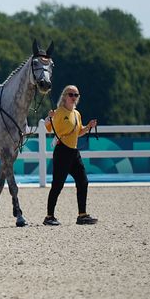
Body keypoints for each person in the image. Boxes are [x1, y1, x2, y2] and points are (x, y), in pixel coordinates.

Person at [43, 85, 99, 225]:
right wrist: (49, 119)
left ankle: (82, 215)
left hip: (74, 152)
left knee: (83, 181)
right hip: (62, 151)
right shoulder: (59, 112)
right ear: (64, 96)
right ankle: (49, 217)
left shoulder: (77, 114)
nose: (74, 97)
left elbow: (78, 132)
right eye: (71, 94)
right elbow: (50, 129)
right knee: (57, 185)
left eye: (76, 95)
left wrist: (88, 127)